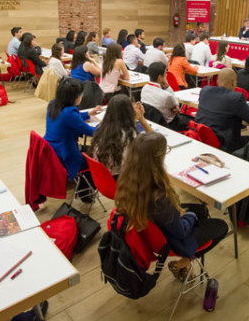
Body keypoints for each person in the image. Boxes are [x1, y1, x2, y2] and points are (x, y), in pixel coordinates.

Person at [114, 132, 228, 281]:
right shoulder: (159, 196)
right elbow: (180, 231)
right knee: (221, 226)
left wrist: (183, 214)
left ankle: (187, 263)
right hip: (171, 242)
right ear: (156, 158)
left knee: (201, 210)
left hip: (151, 229)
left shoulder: (128, 178)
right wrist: (189, 216)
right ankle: (184, 262)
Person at [44, 78, 102, 181]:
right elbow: (92, 132)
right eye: (80, 94)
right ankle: (85, 192)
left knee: (89, 149)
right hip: (65, 155)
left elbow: (72, 117)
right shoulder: (70, 113)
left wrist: (88, 113)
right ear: (74, 97)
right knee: (98, 159)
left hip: (52, 150)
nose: (82, 96)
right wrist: (106, 124)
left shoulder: (53, 104)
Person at [195, 68, 249, 152]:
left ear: (218, 81)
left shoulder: (205, 91)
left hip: (200, 136)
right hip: (222, 143)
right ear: (234, 82)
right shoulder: (236, 98)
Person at [90, 95, 152, 176]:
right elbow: (155, 140)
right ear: (129, 113)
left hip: (105, 178)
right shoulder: (129, 135)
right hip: (124, 180)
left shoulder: (102, 128)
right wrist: (141, 118)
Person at [141, 62, 189, 131]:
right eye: (165, 73)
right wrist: (168, 88)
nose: (166, 75)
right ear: (160, 77)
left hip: (151, 122)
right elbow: (176, 104)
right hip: (169, 125)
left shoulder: (144, 89)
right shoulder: (166, 96)